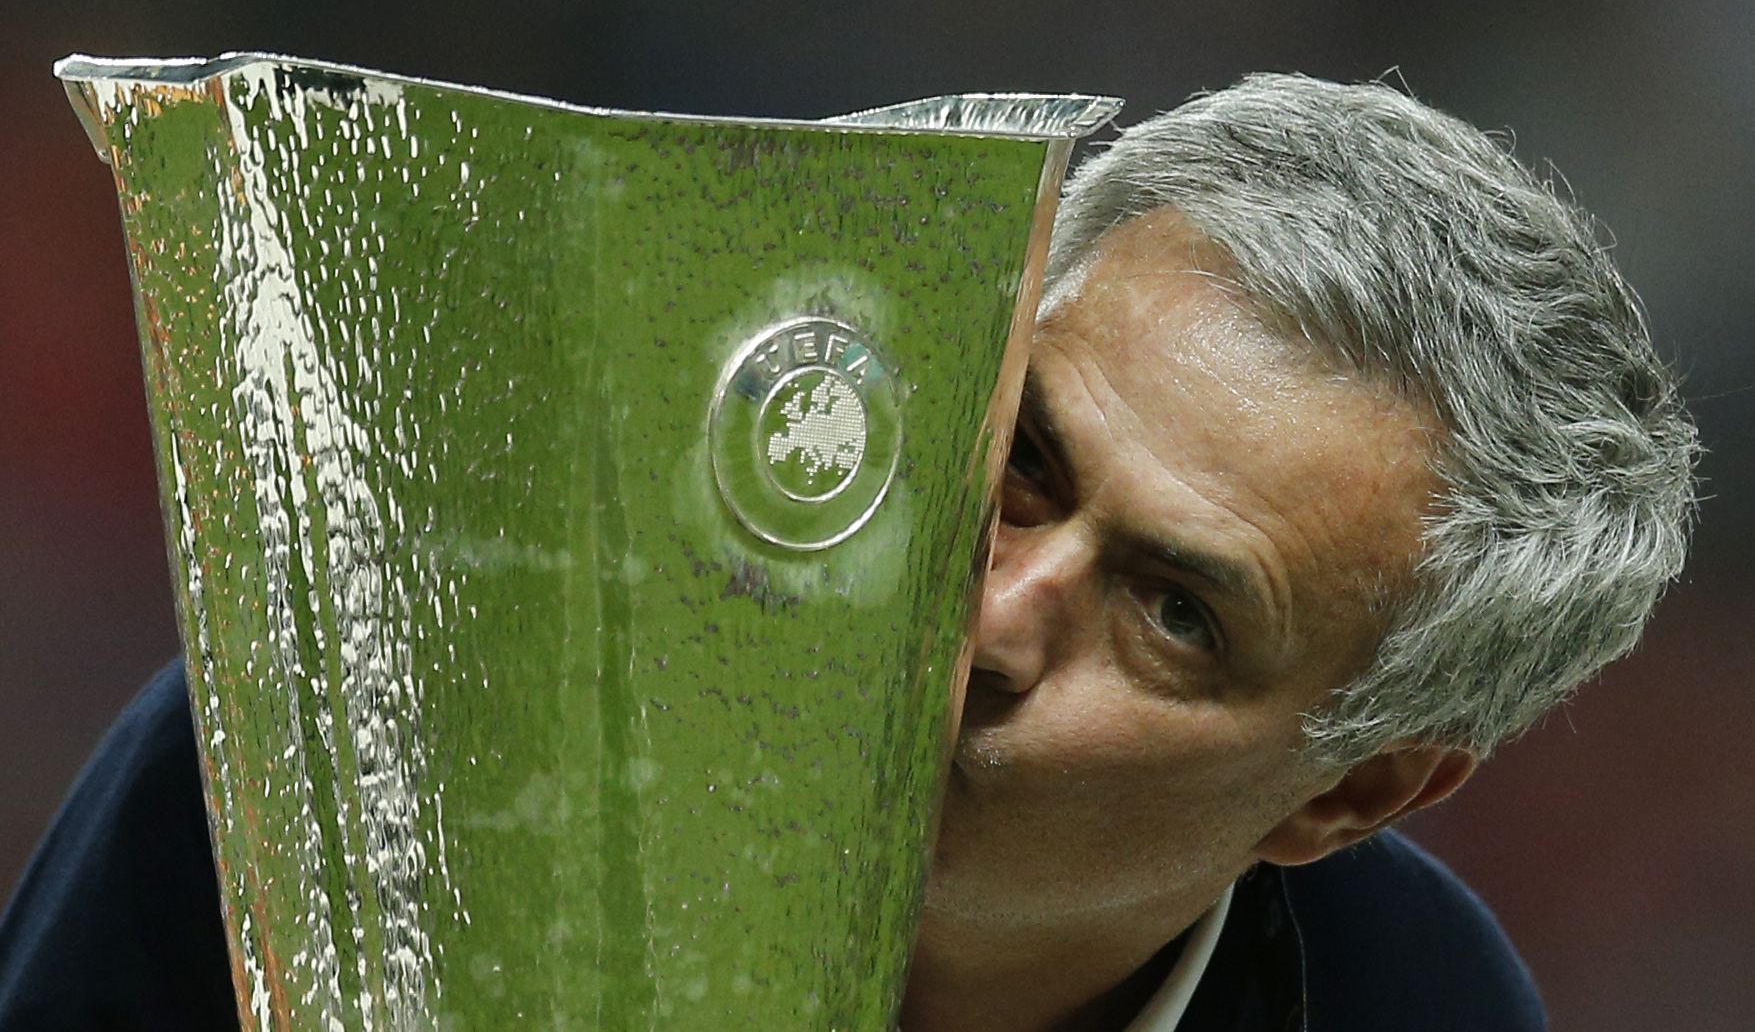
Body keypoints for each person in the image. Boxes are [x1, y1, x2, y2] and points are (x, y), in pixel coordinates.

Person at [0, 74, 1697, 1031]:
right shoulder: (339, 780)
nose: (995, 614)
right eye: (1025, 462)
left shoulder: (1422, 1010)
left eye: (1177, 610)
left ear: (1354, 793)